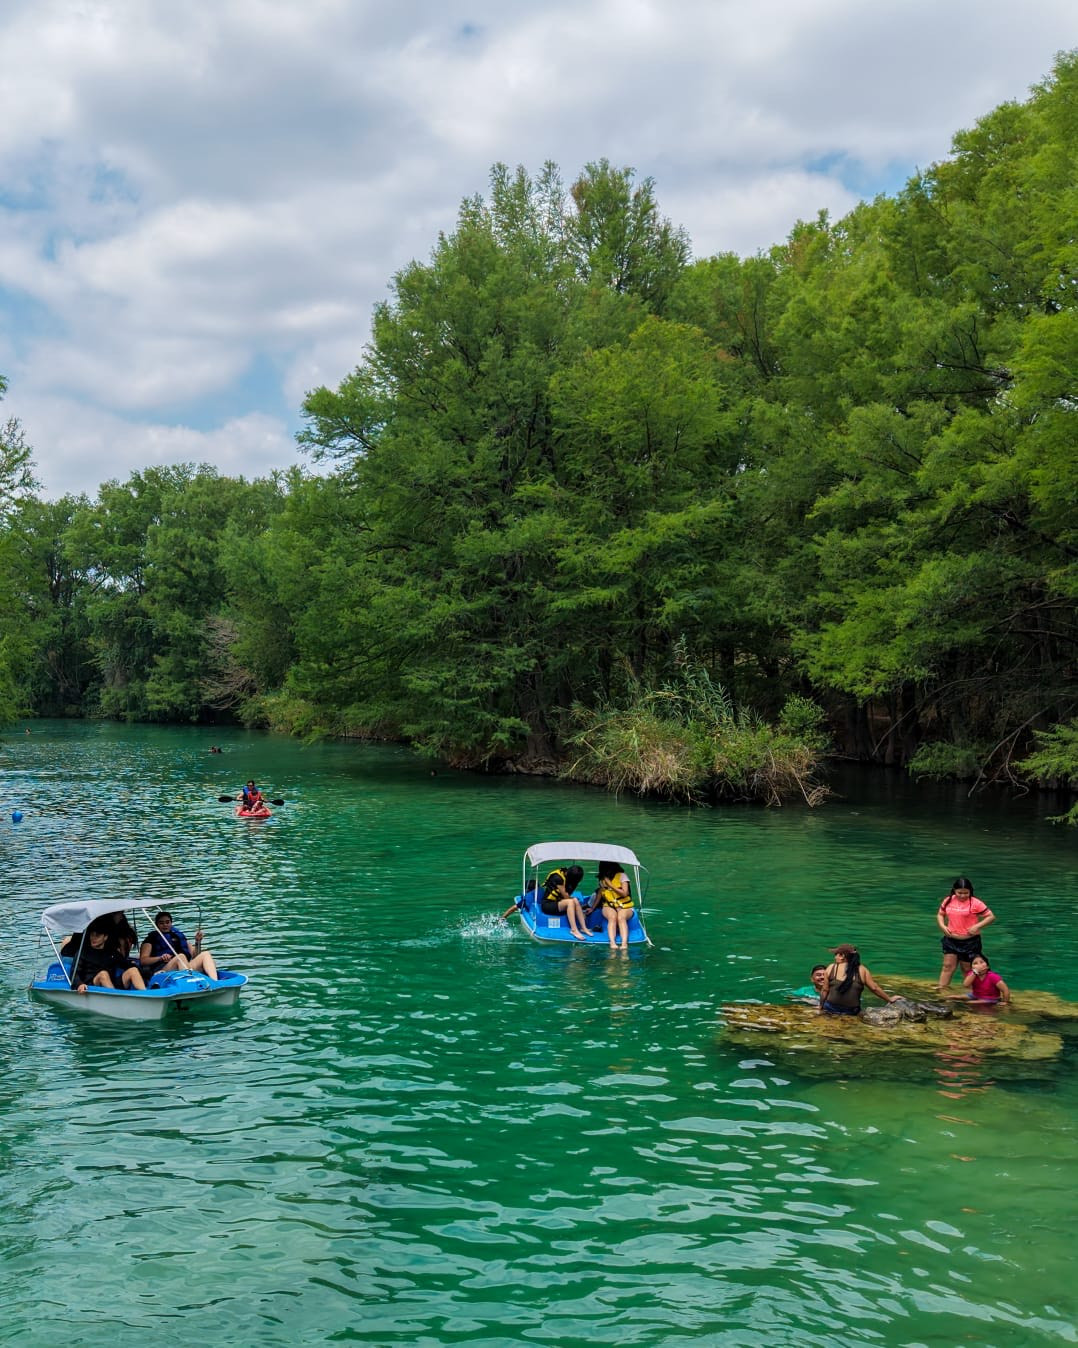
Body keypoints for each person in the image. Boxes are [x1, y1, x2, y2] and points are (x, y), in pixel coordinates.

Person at [936, 876, 995, 990]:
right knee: (947, 966)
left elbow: (991, 917)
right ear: (954, 891)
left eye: (966, 893)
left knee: (967, 969)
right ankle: (942, 989)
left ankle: (971, 992)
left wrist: (977, 926)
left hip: (970, 941)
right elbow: (940, 914)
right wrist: (943, 926)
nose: (962, 896)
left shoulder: (975, 903)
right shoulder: (948, 900)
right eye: (959, 893)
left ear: (970, 891)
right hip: (951, 939)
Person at [818, 944, 897, 1015]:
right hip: (851, 1011)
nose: (835, 957)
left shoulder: (831, 967)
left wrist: (821, 1006)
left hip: (831, 1008)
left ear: (842, 956)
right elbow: (874, 988)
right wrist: (889, 999)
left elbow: (825, 990)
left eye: (836, 954)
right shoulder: (862, 970)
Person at [140, 911, 219, 981]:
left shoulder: (178, 935)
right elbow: (143, 960)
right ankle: (190, 982)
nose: (165, 925)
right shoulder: (150, 939)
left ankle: (215, 982)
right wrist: (160, 958)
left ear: (171, 923)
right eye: (161, 923)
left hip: (185, 967)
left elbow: (195, 955)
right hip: (163, 970)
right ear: (157, 925)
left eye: (167, 922)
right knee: (180, 957)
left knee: (205, 954)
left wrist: (197, 942)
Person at [73, 920, 147, 994]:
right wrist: (80, 984)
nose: (93, 938)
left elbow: (126, 964)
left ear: (105, 937)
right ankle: (115, 998)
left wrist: (149, 973)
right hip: (92, 984)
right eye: (92, 935)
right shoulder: (82, 952)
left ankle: (146, 995)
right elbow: (74, 973)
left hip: (111, 983)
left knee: (133, 970)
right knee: (103, 974)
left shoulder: (111, 952)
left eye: (97, 936)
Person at [537, 864, 590, 940]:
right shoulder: (558, 878)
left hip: (558, 902)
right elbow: (566, 897)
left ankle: (584, 928)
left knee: (574, 900)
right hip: (547, 904)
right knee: (570, 902)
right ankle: (574, 930)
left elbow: (567, 896)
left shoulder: (567, 876)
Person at [592, 859, 633, 949]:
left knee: (621, 917)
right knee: (612, 917)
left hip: (624, 906)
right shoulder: (602, 879)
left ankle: (624, 943)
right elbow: (600, 893)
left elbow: (625, 893)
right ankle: (612, 942)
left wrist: (611, 885)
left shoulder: (622, 876)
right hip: (609, 905)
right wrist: (592, 908)